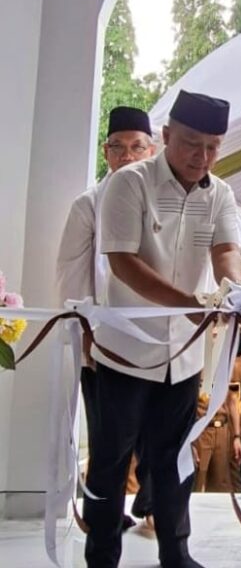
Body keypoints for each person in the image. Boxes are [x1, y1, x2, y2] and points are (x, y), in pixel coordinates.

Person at [84, 90, 241, 568]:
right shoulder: (129, 183)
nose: (202, 156)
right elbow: (122, 262)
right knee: (112, 461)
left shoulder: (221, 193)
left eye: (213, 147)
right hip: (127, 353)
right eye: (192, 143)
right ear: (167, 135)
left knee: (176, 459)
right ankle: (101, 557)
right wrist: (189, 304)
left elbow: (226, 251)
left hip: (184, 357)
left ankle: (177, 554)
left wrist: (235, 292)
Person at [56, 106, 156, 529]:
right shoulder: (88, 205)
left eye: (137, 147)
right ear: (106, 152)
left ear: (152, 151)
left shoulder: (163, 202)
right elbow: (72, 275)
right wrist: (85, 336)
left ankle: (152, 509)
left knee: (157, 434)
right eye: (119, 148)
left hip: (155, 342)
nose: (128, 156)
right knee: (108, 439)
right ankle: (103, 518)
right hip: (104, 342)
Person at [192, 333, 241, 492]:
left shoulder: (227, 366)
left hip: (223, 430)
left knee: (221, 483)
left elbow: (232, 401)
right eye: (213, 334)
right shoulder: (194, 365)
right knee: (198, 481)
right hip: (201, 430)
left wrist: (236, 437)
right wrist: (189, 440)